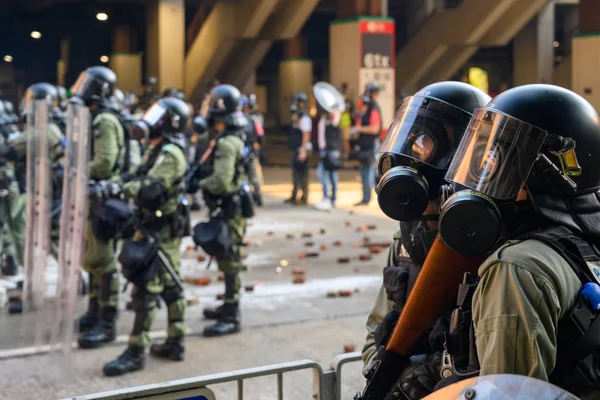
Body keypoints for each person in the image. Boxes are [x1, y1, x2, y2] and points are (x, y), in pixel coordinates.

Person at [433, 84, 600, 398]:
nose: (485, 178)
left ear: (543, 176)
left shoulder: (519, 268)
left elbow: (508, 392)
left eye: (500, 164)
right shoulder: (585, 243)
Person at [360, 82, 491, 399]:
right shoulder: (404, 239)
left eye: (426, 142)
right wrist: (392, 373)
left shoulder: (489, 242)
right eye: (411, 139)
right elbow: (372, 340)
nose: (413, 154)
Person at [102, 97, 190, 376]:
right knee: (171, 286)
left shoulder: (170, 153)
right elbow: (135, 176)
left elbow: (150, 189)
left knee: (147, 291)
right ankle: (175, 341)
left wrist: (123, 189)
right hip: (156, 229)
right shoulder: (157, 150)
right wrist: (113, 185)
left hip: (160, 232)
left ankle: (136, 351)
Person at [69, 66, 126, 349]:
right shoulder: (97, 117)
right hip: (95, 197)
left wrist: (76, 171)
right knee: (93, 259)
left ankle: (107, 322)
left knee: (103, 261)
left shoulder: (104, 119)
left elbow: (104, 162)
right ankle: (93, 312)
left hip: (104, 200)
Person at [197, 84, 248, 337]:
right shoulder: (230, 138)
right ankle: (227, 306)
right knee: (227, 259)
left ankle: (231, 315)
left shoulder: (228, 143)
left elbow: (221, 182)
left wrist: (200, 183)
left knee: (230, 261)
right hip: (229, 209)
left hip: (229, 210)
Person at [352, 82, 382, 206]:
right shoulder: (366, 108)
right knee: (364, 173)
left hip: (371, 146)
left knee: (371, 175)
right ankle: (365, 198)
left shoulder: (374, 108)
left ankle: (376, 198)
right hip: (364, 146)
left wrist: (359, 129)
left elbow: (375, 129)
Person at [286, 93, 312, 205]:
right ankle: (294, 194)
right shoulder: (297, 115)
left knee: (302, 174)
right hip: (296, 148)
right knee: (295, 173)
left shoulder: (304, 116)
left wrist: (303, 150)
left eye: (296, 102)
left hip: (302, 149)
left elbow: (306, 134)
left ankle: (304, 196)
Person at [314, 106, 341, 211]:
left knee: (326, 174)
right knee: (328, 174)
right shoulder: (323, 121)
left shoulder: (334, 120)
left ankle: (328, 198)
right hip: (325, 150)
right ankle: (331, 199)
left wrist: (333, 111)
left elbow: (336, 118)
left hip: (331, 150)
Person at [240, 94, 264, 206]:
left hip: (246, 150)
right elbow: (261, 136)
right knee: (253, 175)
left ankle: (253, 197)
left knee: (247, 175)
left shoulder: (238, 120)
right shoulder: (254, 119)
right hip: (250, 150)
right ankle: (256, 196)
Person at [338, 83, 354, 160]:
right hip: (339, 123)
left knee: (345, 140)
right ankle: (341, 154)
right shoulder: (339, 100)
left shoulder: (347, 100)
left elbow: (345, 110)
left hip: (346, 123)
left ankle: (346, 154)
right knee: (340, 140)